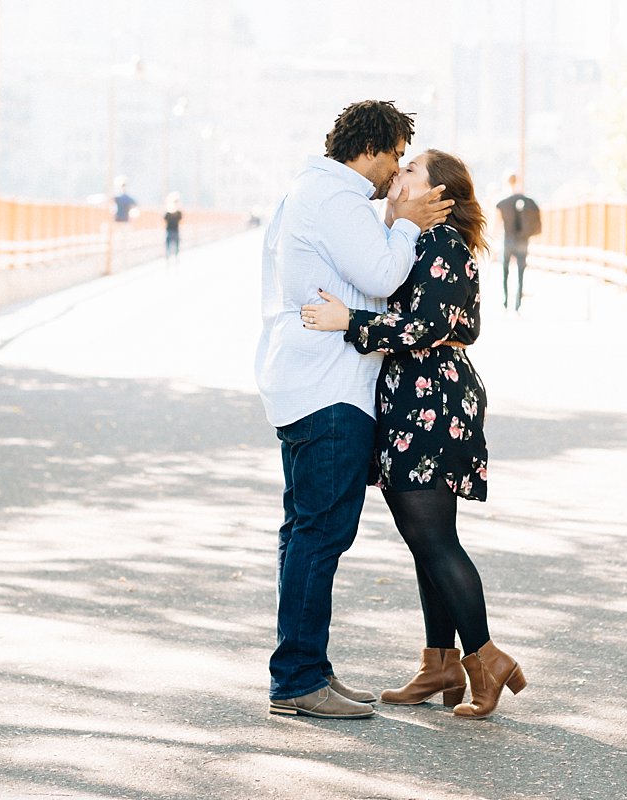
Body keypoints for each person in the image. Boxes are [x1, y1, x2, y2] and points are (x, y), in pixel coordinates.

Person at [301, 150, 527, 720]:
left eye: (409, 172)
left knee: (433, 540)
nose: (395, 176)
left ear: (437, 195)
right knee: (427, 539)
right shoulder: (421, 242)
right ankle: (440, 664)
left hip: (429, 401)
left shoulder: (439, 242)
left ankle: (484, 656)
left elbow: (428, 324)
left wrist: (349, 322)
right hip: (420, 397)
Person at [256, 100, 454, 720]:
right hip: (330, 389)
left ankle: (307, 668)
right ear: (370, 149)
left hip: (305, 382)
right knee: (321, 534)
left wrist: (390, 214)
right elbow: (384, 274)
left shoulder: (309, 191)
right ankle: (297, 680)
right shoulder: (338, 199)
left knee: (303, 532)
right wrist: (405, 223)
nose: (397, 172)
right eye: (396, 156)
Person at [494, 173, 541, 312]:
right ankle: (518, 305)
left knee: (505, 271)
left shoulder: (502, 203)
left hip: (508, 240)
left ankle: (505, 302)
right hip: (522, 241)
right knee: (521, 272)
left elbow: (496, 226)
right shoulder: (528, 202)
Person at [163, 193, 183, 262]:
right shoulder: (168, 212)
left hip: (175, 230)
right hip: (169, 230)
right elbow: (165, 218)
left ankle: (176, 256)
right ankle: (168, 255)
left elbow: (180, 217)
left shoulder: (178, 212)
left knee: (176, 244)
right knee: (168, 243)